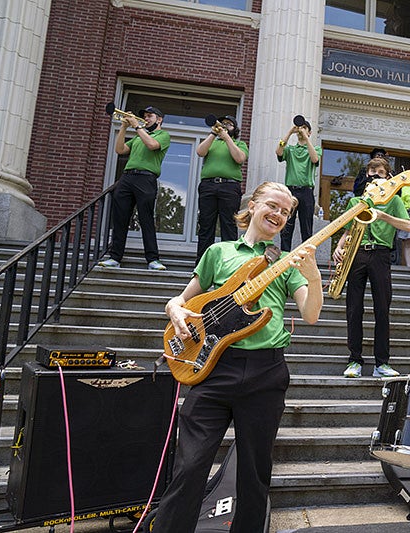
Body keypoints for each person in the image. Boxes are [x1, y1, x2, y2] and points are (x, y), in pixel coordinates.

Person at [150, 182, 323, 532]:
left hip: (265, 372)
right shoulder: (219, 252)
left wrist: (314, 275)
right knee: (189, 466)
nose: (278, 214)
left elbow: (310, 314)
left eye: (285, 212)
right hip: (213, 369)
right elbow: (181, 301)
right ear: (253, 205)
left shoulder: (287, 262)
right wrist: (173, 310)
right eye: (272, 206)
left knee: (254, 473)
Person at [334, 157, 410, 378]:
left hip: (380, 254)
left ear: (388, 177)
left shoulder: (394, 201)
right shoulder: (355, 202)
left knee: (382, 309)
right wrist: (339, 248)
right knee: (354, 309)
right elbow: (348, 230)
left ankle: (381, 364)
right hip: (356, 253)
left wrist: (383, 215)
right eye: (372, 170)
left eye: (381, 171)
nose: (376, 174)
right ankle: (354, 360)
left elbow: (408, 225)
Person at [99, 106, 170, 270]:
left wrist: (137, 126)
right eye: (144, 116)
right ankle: (115, 257)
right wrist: (124, 127)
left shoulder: (163, 135)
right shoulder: (138, 137)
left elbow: (152, 145)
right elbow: (120, 149)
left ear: (159, 119)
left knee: (146, 219)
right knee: (120, 218)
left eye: (150, 116)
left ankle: (153, 259)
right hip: (127, 177)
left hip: (146, 178)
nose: (146, 118)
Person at [195, 115, 249, 263]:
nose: (225, 126)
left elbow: (239, 158)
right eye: (223, 123)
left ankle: (229, 263)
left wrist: (227, 139)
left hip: (229, 187)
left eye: (229, 124)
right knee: (206, 225)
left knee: (228, 225)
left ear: (235, 129)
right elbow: (200, 152)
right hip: (208, 185)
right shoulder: (212, 141)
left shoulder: (240, 143)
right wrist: (213, 134)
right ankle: (202, 263)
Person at [275, 117, 322, 251]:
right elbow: (278, 151)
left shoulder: (315, 148)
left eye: (305, 128)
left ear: (310, 132)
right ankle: (284, 255)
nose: (301, 130)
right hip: (290, 191)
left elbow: (315, 159)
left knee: (306, 227)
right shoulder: (290, 149)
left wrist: (306, 139)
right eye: (300, 128)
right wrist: (290, 132)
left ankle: (306, 256)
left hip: (306, 192)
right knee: (286, 226)